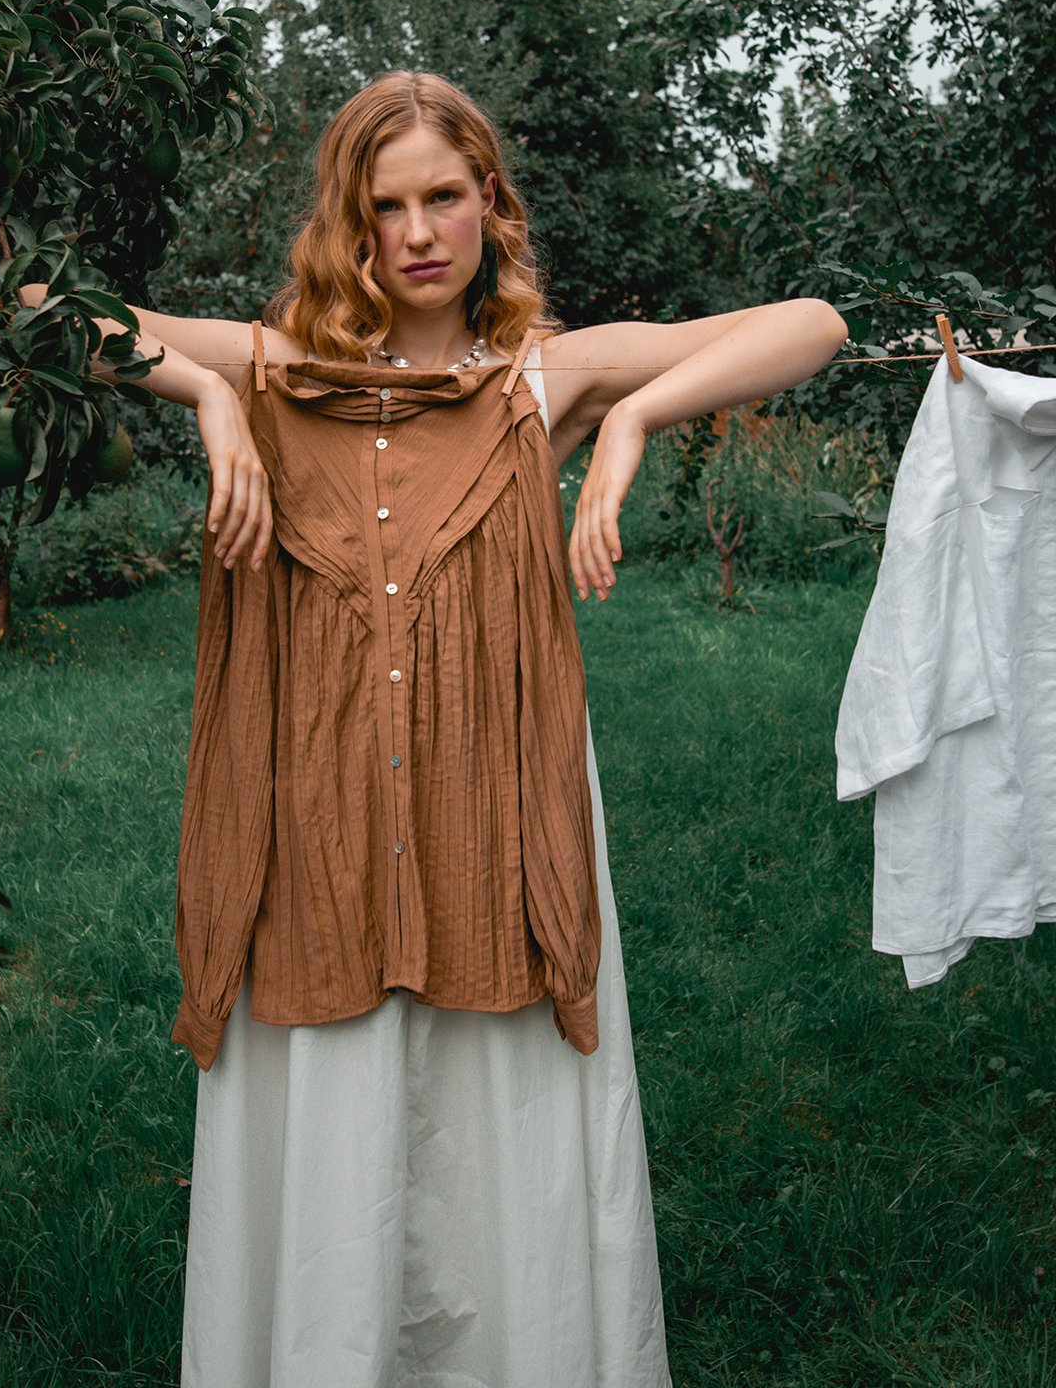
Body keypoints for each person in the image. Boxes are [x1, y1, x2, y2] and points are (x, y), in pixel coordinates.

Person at [74, 72, 847, 1387]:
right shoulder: (274, 372)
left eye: (446, 195)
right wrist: (204, 398)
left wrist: (634, 419)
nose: (421, 231)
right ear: (351, 225)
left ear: (490, 201)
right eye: (388, 206)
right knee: (334, 1126)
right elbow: (36, 307)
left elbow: (815, 324)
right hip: (315, 834)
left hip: (500, 817)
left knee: (499, 1133)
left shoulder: (541, 379)